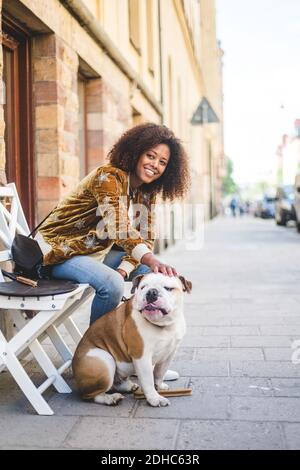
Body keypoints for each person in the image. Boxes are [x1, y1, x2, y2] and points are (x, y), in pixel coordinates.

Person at [38, 123, 189, 349]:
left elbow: (145, 239)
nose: (155, 165)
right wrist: (146, 260)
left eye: (162, 162)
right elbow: (119, 227)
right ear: (136, 152)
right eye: (150, 155)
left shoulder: (145, 193)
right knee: (113, 284)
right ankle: (97, 352)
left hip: (93, 254)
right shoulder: (108, 177)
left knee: (150, 273)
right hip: (58, 252)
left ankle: (143, 354)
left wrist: (125, 268)